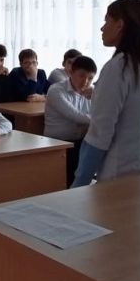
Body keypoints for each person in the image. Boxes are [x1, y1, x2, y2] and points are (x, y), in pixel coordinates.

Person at [72, 0, 140, 186]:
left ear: (120, 25)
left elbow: (100, 134)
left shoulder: (118, 67)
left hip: (119, 172)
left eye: (106, 20)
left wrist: (80, 182)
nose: (102, 28)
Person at [44, 55, 96, 185]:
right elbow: (76, 116)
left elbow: (101, 112)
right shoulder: (56, 90)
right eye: (82, 76)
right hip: (57, 144)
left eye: (90, 78)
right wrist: (100, 119)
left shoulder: (92, 92)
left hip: (81, 142)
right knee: (67, 183)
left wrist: (96, 96)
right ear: (71, 72)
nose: (86, 81)